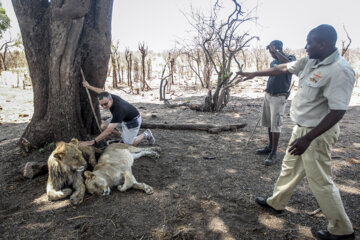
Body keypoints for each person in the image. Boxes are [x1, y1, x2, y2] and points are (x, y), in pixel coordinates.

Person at [237, 24, 355, 240]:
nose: (305, 46)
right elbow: (283, 68)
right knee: (289, 168)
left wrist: (308, 138)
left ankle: (342, 229)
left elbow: (338, 112)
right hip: (302, 130)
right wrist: (254, 73)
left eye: (310, 43)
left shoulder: (340, 70)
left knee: (320, 180)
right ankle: (276, 202)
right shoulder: (310, 60)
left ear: (324, 44)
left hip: (316, 134)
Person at [255, 40, 296, 166]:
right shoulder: (273, 61)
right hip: (269, 94)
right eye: (270, 52)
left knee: (276, 124)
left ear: (279, 48)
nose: (271, 54)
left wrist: (276, 51)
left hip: (279, 96)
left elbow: (289, 65)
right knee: (269, 122)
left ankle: (274, 152)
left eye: (272, 51)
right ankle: (270, 146)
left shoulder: (290, 58)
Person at [79, 80, 155, 147]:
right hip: (122, 118)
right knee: (103, 126)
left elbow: (108, 131)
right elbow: (101, 91)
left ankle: (146, 134)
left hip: (132, 121)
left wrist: (93, 141)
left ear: (111, 100)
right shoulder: (108, 96)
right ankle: (124, 137)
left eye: (105, 104)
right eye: (101, 105)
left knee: (130, 144)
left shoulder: (118, 110)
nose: (104, 106)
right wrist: (88, 86)